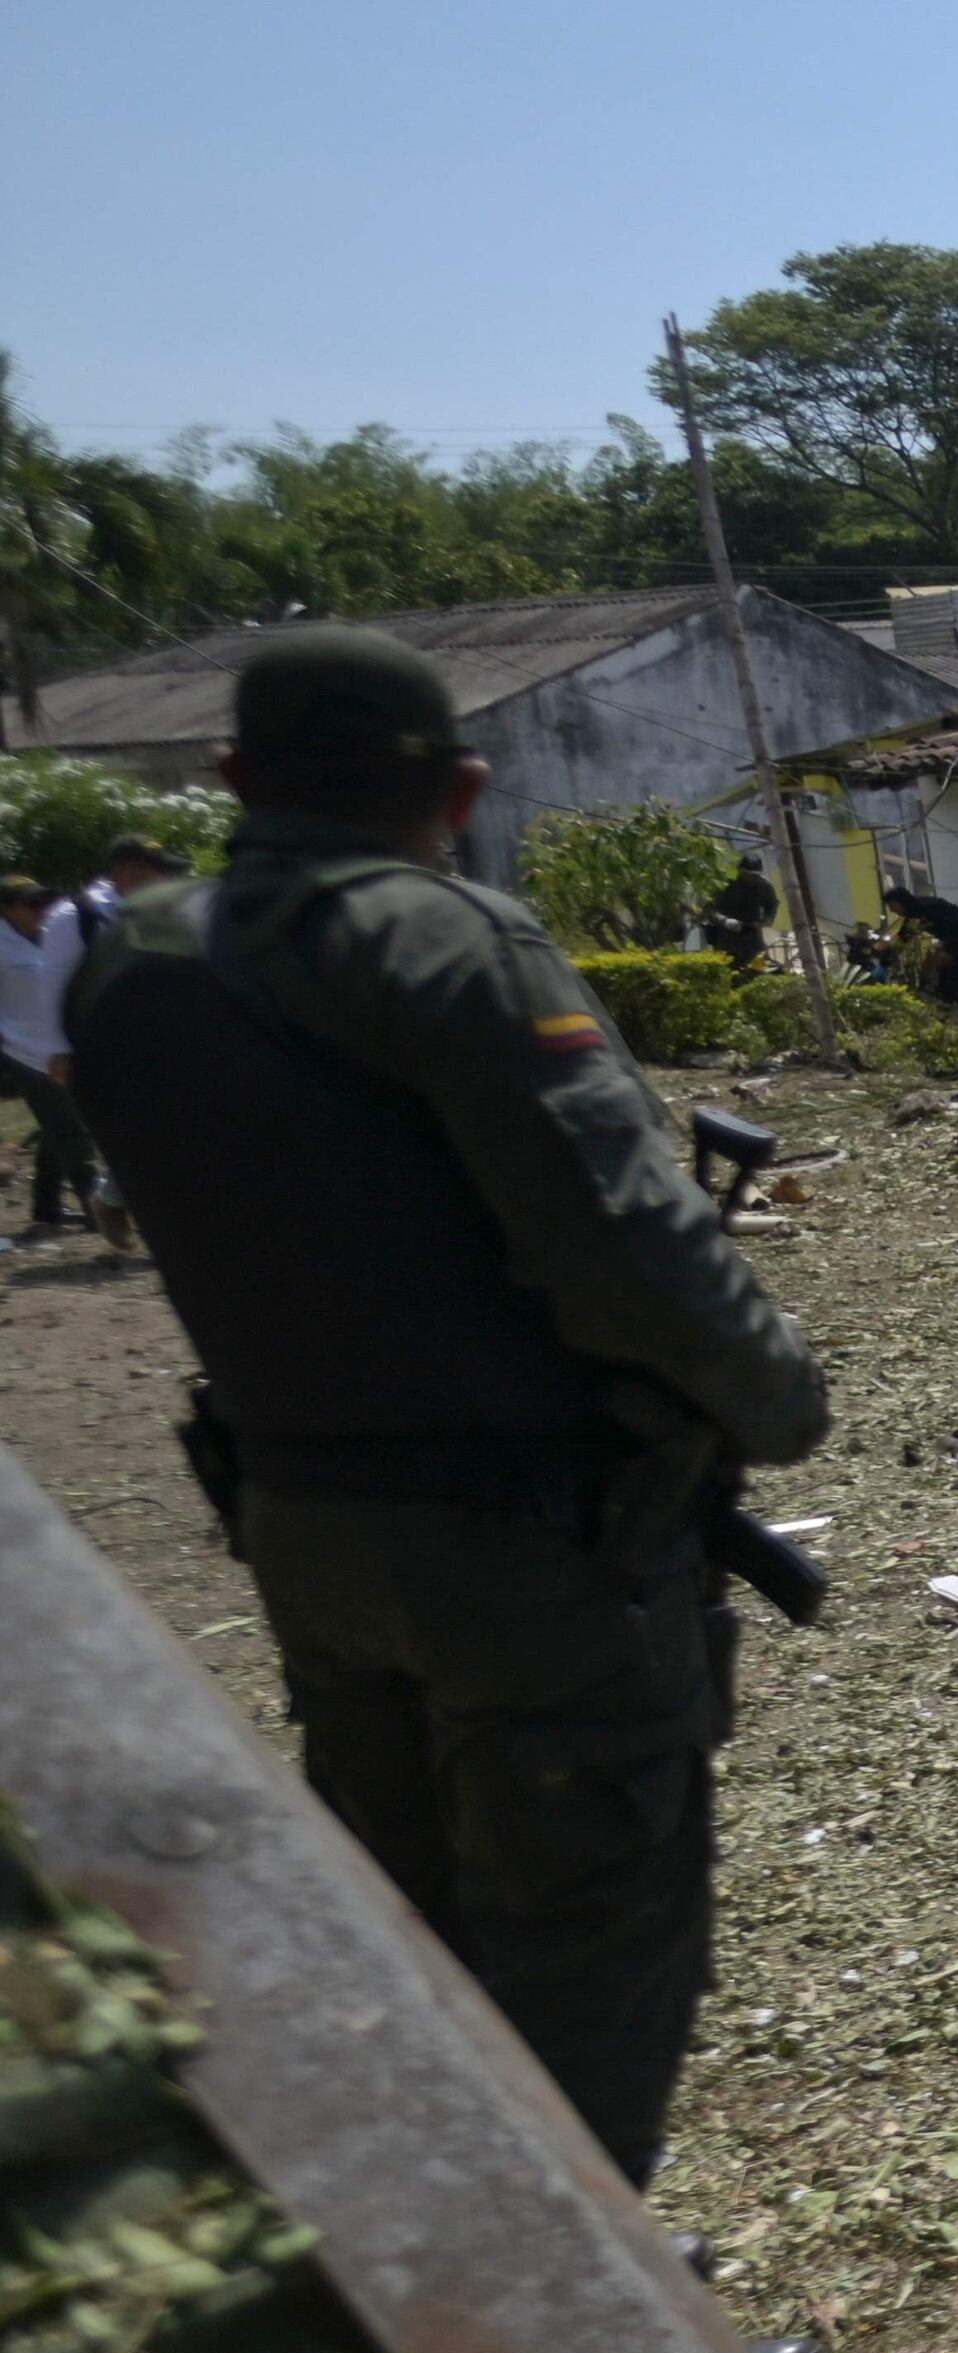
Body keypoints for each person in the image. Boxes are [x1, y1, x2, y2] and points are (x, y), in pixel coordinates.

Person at [66, 629, 831, 2194]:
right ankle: (594, 2329)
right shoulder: (444, 945)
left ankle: (427, 2230)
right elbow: (626, 1245)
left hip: (303, 1516)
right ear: (461, 789)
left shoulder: (133, 961)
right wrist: (777, 1399)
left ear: (228, 779)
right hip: (529, 1545)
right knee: (583, 1936)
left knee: (405, 1906)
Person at [0, 872, 99, 1242]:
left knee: (62, 1122)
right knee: (69, 1126)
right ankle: (98, 1210)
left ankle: (47, 1207)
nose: (41, 909)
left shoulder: (51, 936)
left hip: (53, 1045)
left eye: (44, 902)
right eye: (31, 903)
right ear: (8, 909)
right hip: (16, 1047)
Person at [886, 877, 958, 1014]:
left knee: (956, 974)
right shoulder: (914, 912)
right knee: (949, 975)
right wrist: (887, 951)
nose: (892, 910)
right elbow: (904, 937)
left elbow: (956, 928)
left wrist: (946, 952)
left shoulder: (927, 908)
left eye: (892, 906)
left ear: (899, 902)